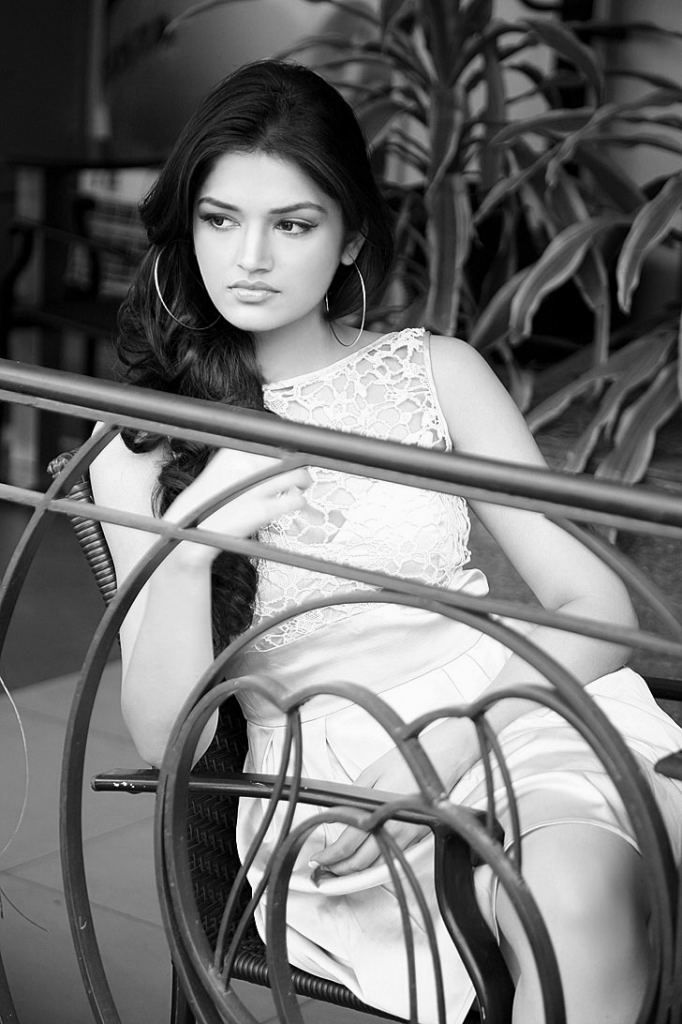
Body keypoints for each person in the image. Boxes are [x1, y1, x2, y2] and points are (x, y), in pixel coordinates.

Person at [90, 59, 682, 1024]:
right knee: (564, 910)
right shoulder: (143, 445)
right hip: (329, 772)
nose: (250, 257)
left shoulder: (435, 374)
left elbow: (594, 606)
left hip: (500, 709)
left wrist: (440, 744)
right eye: (220, 219)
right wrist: (193, 549)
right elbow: (166, 739)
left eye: (293, 224)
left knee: (581, 892)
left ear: (351, 238)